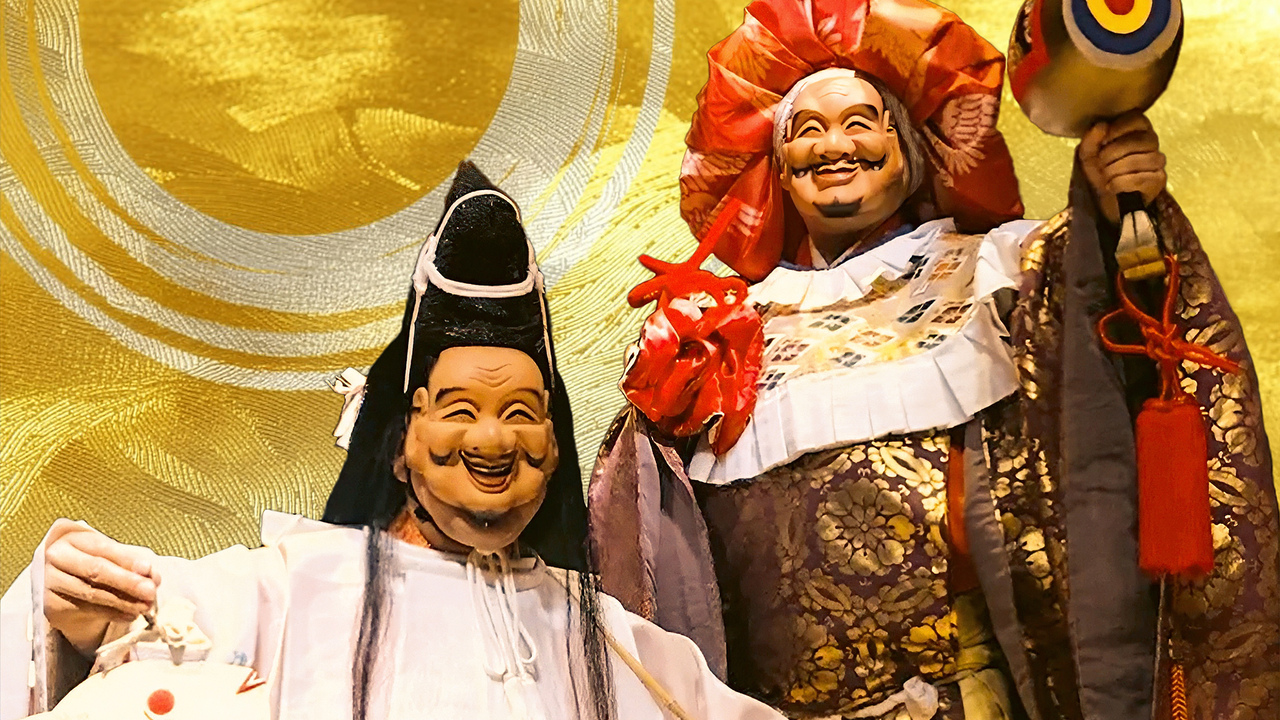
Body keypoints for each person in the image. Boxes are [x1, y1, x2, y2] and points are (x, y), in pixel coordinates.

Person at [588, 1, 1279, 719]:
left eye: (861, 121)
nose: (835, 145)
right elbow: (649, 539)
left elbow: (1098, 328)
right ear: (778, 169)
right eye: (808, 129)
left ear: (908, 148)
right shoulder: (721, 328)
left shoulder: (997, 271)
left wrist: (1112, 202)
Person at [0, 162, 785, 720]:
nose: (492, 440)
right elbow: (123, 629)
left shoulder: (624, 648)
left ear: (554, 451)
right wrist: (60, 604)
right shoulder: (280, 594)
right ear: (400, 442)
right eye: (459, 408)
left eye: (521, 412)